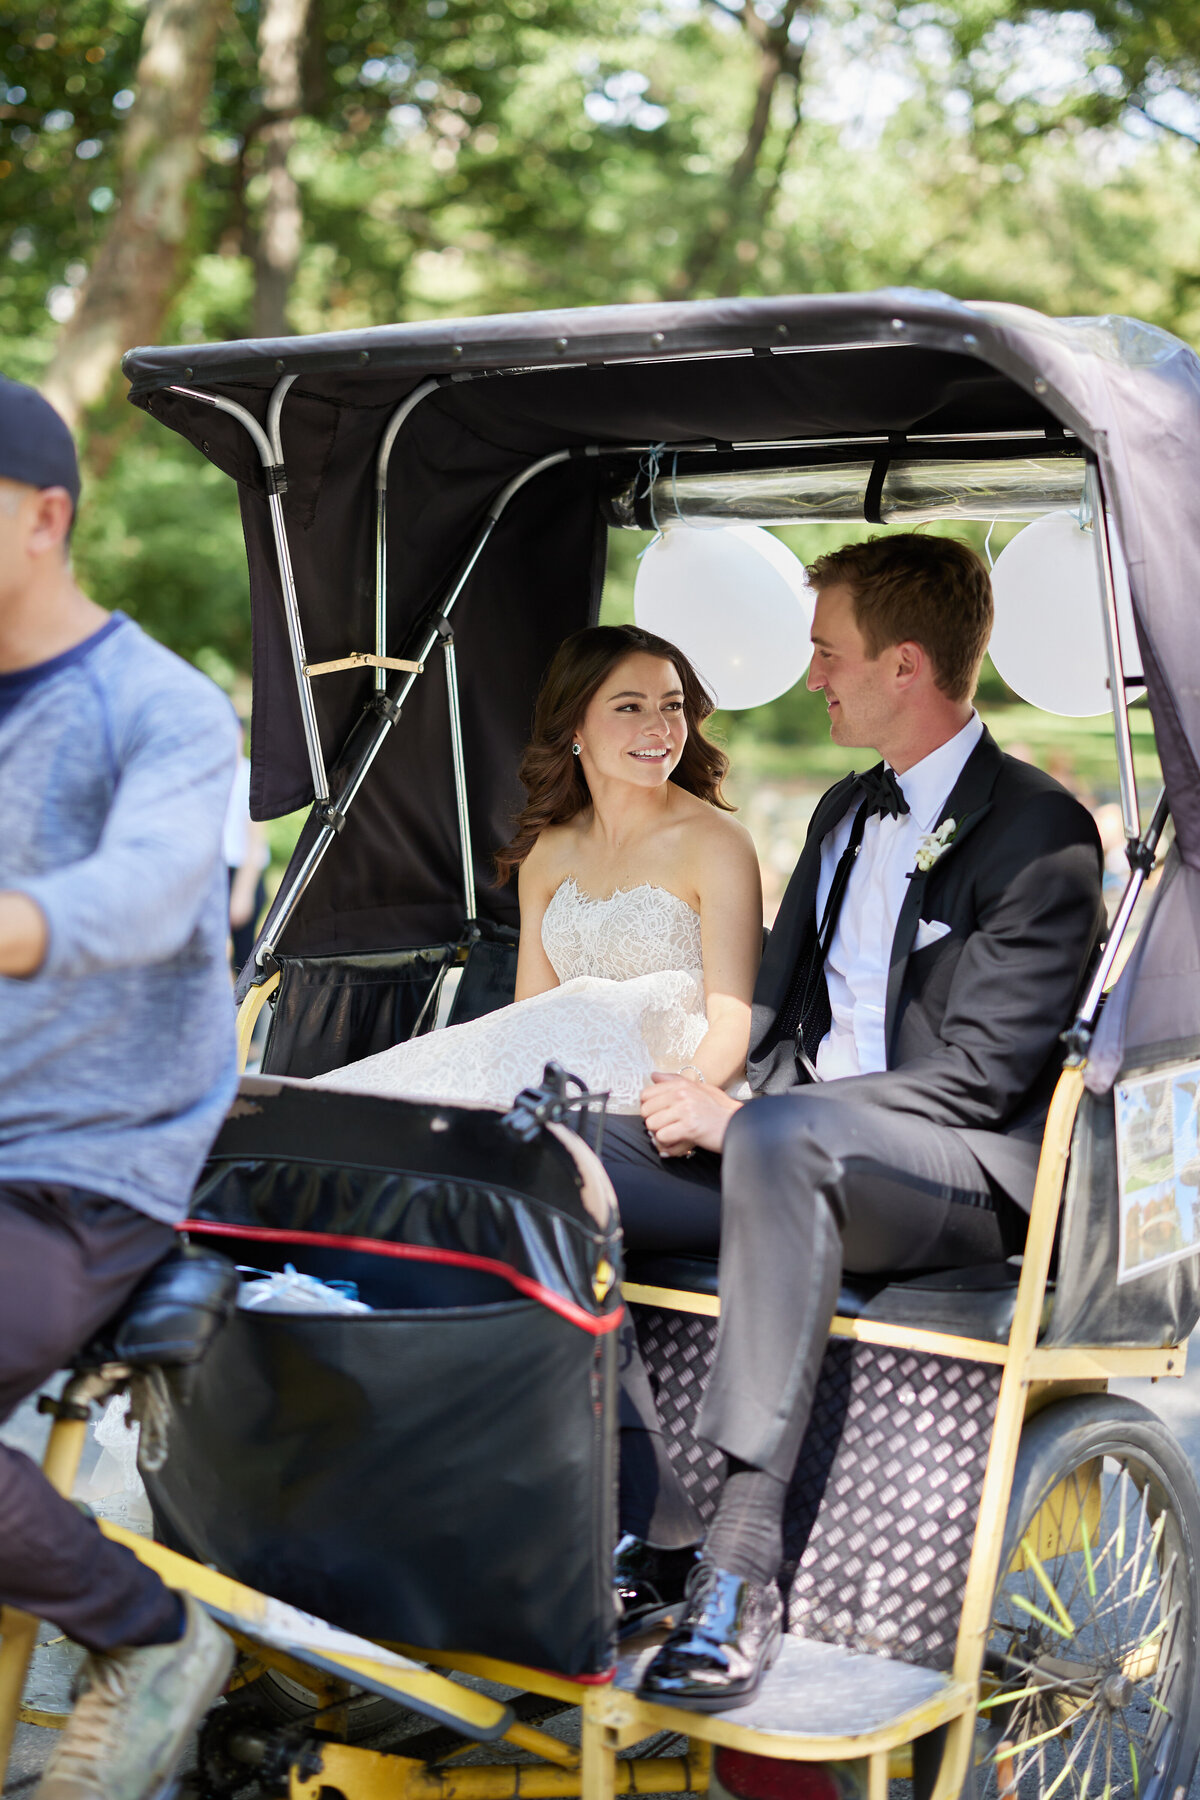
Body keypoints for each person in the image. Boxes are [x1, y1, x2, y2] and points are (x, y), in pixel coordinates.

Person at [603, 533, 1106, 1708]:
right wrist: (696, 1101)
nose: (812, 674)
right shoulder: (842, 808)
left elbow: (979, 1079)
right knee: (564, 1152)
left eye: (829, 652)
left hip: (957, 1175)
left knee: (779, 1135)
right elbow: (777, 1016)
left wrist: (756, 1120)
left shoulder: (1043, 833)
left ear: (907, 666)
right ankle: (645, 1519)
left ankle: (740, 1569)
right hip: (799, 1138)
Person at [0, 376, 240, 1800]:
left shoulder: (162, 707)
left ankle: (146, 1636)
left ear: (45, 518)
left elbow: (151, 899)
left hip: (85, 1168)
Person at [313, 624, 763, 1118]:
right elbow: (529, 1016)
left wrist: (685, 1092)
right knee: (376, 1101)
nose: (659, 726)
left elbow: (734, 1019)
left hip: (668, 1090)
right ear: (575, 727)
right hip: (561, 1084)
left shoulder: (717, 844)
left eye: (672, 705)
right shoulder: (549, 849)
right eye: (629, 707)